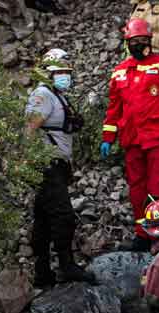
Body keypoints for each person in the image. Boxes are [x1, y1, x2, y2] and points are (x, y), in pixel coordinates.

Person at [101, 18, 159, 252]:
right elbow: (113, 108)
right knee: (137, 191)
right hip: (132, 140)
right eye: (135, 40)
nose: (139, 44)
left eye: (143, 40)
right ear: (127, 42)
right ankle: (142, 235)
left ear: (150, 41)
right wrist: (108, 137)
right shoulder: (120, 73)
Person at [24, 48, 95, 286]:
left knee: (44, 218)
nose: (65, 76)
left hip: (58, 164)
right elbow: (29, 129)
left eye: (67, 71)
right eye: (60, 72)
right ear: (48, 73)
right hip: (48, 164)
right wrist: (32, 161)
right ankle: (66, 265)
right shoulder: (43, 94)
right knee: (64, 216)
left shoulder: (58, 95)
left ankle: (42, 272)